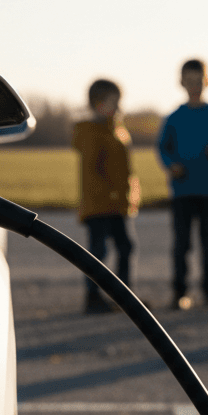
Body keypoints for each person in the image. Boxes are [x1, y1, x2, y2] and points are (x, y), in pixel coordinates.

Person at [156, 59, 208, 310]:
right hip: (182, 189)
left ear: (207, 82)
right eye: (189, 81)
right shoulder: (174, 117)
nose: (194, 86)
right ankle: (179, 292)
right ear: (181, 82)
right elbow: (163, 148)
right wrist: (171, 165)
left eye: (198, 81)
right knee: (181, 244)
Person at [71, 78, 140, 314]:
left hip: (120, 202)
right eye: (113, 102)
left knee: (126, 248)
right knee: (98, 252)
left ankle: (125, 296)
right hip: (100, 204)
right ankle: (93, 297)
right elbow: (93, 169)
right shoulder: (91, 133)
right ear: (97, 104)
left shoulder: (118, 129)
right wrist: (109, 192)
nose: (118, 106)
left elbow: (125, 169)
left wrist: (130, 193)